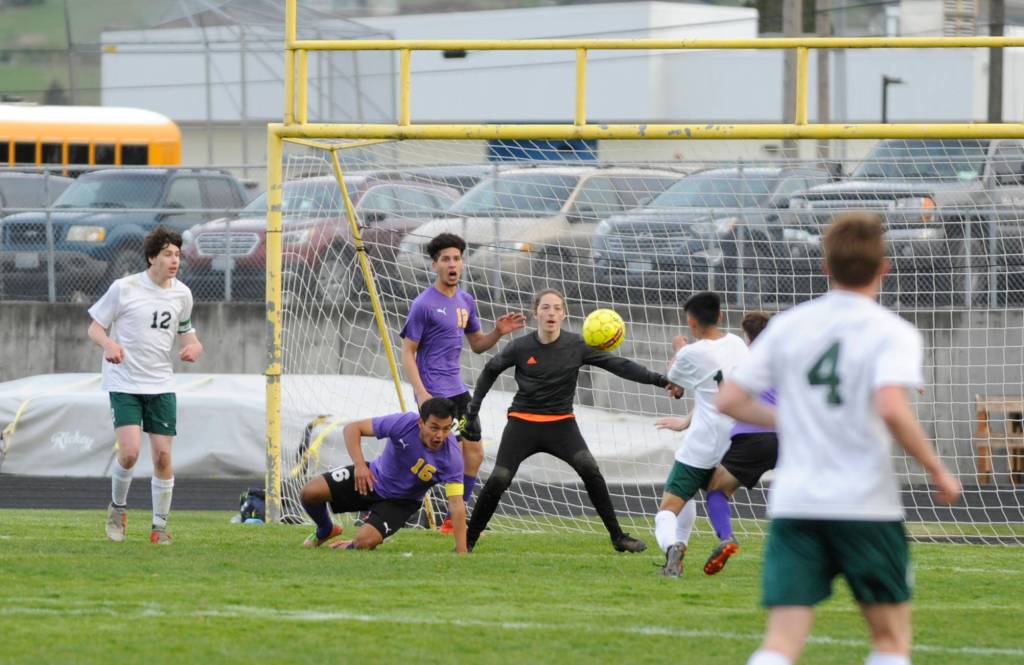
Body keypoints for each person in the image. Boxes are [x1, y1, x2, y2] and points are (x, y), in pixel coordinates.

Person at [716, 214, 961, 665]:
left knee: (780, 643)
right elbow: (891, 408)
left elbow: (729, 399)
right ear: (884, 267)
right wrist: (937, 469)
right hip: (865, 504)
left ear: (825, 265)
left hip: (797, 503)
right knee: (889, 641)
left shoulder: (788, 325)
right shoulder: (893, 331)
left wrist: (789, 416)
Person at [463, 289, 682, 553]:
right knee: (499, 478)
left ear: (564, 315)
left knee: (589, 468)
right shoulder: (520, 347)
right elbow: (489, 371)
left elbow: (621, 365)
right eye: (545, 307)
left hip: (561, 424)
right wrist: (473, 409)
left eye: (557, 308)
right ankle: (467, 541)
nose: (551, 313)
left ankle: (618, 537)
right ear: (535, 313)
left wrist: (662, 380)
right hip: (522, 422)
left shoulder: (576, 345)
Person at [399, 232, 526, 534]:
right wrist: (421, 392)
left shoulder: (466, 301)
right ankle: (389, 503)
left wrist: (498, 332)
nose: (452, 264)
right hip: (434, 393)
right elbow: (407, 351)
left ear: (462, 263)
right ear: (435, 265)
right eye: (445, 259)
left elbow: (478, 345)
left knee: (474, 454)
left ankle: (450, 520)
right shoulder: (423, 304)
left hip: (459, 391)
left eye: (456, 258)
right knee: (442, 457)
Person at [88, 226, 203, 545]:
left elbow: (187, 332)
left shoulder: (182, 294)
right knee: (129, 452)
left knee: (163, 457)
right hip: (124, 381)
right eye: (167, 254)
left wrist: (194, 347)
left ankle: (159, 527)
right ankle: (117, 509)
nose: (174, 260)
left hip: (161, 384)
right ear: (152, 257)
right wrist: (109, 345)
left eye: (177, 254)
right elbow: (95, 328)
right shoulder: (124, 288)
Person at [655, 311, 777, 576]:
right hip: (787, 436)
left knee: (711, 493)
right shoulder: (790, 358)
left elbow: (719, 396)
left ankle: (721, 539)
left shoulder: (745, 358)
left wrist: (680, 350)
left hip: (745, 436)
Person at [299, 397, 468, 552]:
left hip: (401, 502)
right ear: (420, 423)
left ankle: (352, 544)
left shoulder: (452, 458)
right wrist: (360, 466)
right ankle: (326, 530)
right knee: (309, 493)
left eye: (446, 429)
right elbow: (352, 428)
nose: (440, 435)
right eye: (434, 428)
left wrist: (462, 551)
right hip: (371, 478)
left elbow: (456, 504)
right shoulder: (403, 423)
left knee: (363, 542)